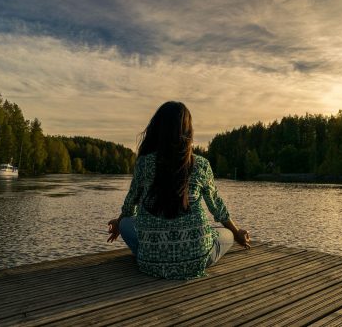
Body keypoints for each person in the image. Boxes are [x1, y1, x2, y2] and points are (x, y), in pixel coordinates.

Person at [107, 101, 250, 280]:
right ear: (188, 132)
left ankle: (154, 253)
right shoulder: (201, 165)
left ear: (157, 130)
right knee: (227, 234)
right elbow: (217, 208)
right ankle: (209, 242)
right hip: (197, 259)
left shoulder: (144, 163)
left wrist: (119, 223)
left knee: (127, 223)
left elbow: (130, 205)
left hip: (151, 263)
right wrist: (237, 233)